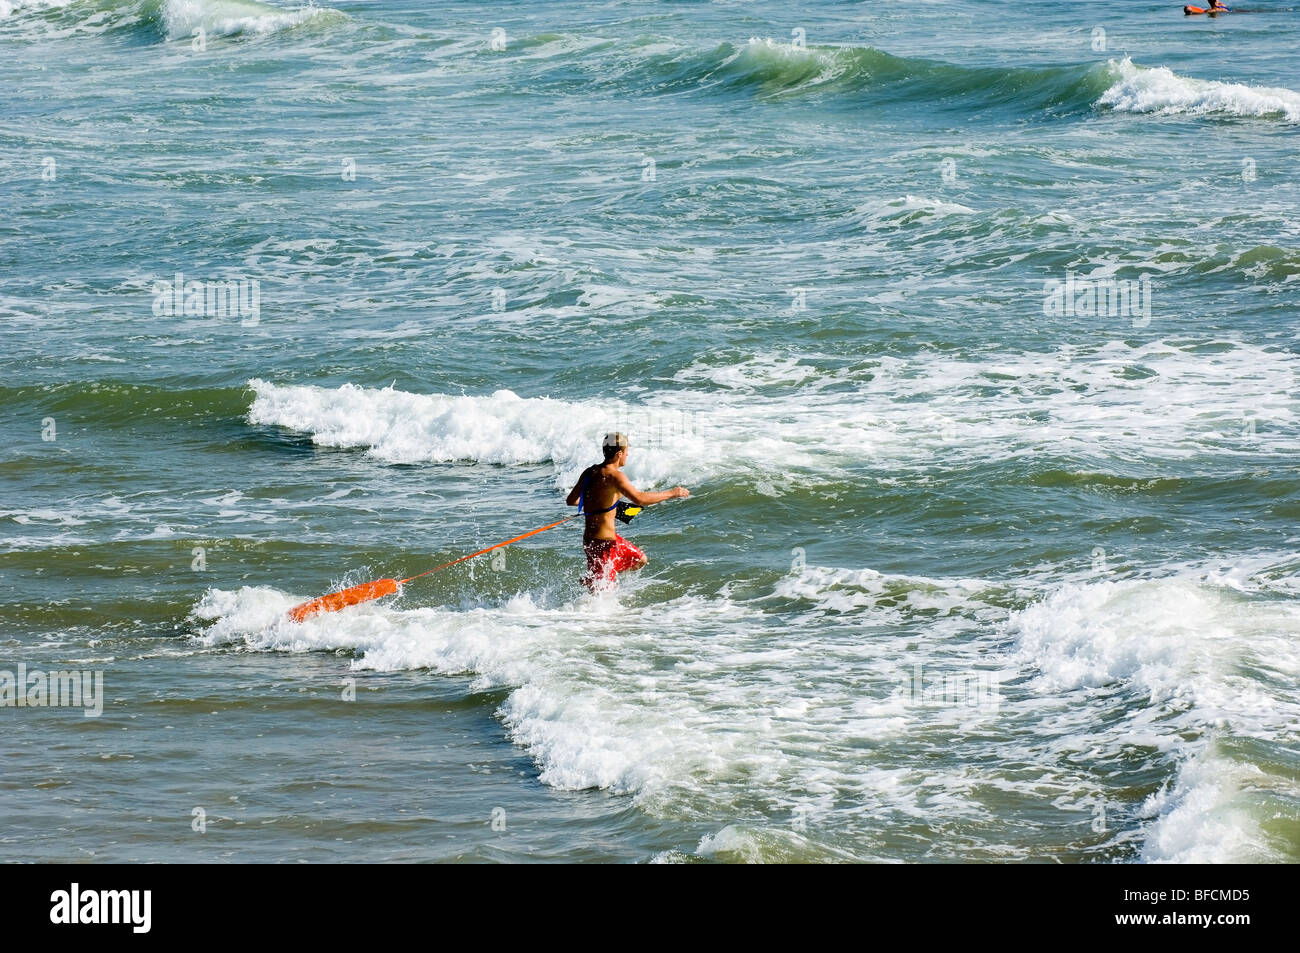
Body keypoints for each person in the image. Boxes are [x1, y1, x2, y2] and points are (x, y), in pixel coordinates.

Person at [566, 432, 689, 590]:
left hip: (597, 540)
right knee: (600, 602)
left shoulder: (589, 472)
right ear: (619, 454)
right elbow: (639, 499)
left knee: (640, 559)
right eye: (626, 453)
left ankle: (597, 577)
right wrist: (673, 493)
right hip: (604, 546)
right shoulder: (616, 477)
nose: (627, 456)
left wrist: (597, 506)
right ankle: (597, 580)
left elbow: (571, 501)